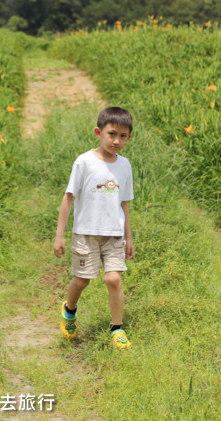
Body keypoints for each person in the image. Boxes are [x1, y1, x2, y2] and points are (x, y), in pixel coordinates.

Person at [53, 106, 134, 350]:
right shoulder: (84, 162)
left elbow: (124, 204)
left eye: (123, 136)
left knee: (113, 280)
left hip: (114, 235)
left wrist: (129, 238)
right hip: (85, 234)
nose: (116, 140)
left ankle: (117, 328)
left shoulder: (125, 165)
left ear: (129, 138)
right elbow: (68, 198)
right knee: (82, 280)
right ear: (98, 132)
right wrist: (60, 235)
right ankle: (69, 311)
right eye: (111, 134)